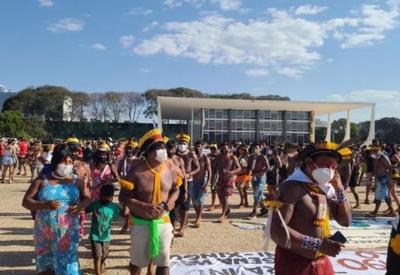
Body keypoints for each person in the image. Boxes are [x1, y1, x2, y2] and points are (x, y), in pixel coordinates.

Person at [270, 143, 351, 275]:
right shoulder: (292, 188)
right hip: (294, 264)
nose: (329, 170)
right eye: (325, 164)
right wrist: (317, 244)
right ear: (309, 162)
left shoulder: (325, 188)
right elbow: (276, 231)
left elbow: (345, 221)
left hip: (322, 263)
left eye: (333, 166)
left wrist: (340, 189)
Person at [22, 143, 91, 274]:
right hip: (44, 233)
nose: (67, 164)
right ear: (56, 162)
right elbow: (26, 201)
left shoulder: (78, 181)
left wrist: (79, 207)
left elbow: (88, 198)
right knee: (46, 267)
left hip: (68, 233)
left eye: (70, 161)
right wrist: (44, 205)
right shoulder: (42, 180)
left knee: (67, 264)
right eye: (64, 161)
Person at [119, 128, 180, 275]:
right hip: (140, 223)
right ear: (148, 152)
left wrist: (171, 201)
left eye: (162, 146)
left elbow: (175, 190)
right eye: (158, 148)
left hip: (163, 221)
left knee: (164, 261)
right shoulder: (136, 171)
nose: (162, 150)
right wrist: (143, 206)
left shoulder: (171, 168)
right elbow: (123, 197)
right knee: (137, 262)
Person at [86, 184, 123, 275]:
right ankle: (97, 272)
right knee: (98, 256)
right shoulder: (95, 205)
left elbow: (123, 214)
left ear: (112, 197)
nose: (107, 199)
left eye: (109, 197)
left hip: (106, 236)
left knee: (105, 254)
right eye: (104, 197)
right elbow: (85, 209)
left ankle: (102, 264)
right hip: (95, 236)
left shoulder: (114, 207)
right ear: (100, 196)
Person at [174, 133, 199, 237]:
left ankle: (182, 227)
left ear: (187, 144)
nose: (181, 145)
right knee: (176, 204)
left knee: (185, 204)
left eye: (183, 143)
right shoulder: (174, 153)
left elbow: (197, 167)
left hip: (188, 181)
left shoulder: (191, 154)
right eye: (180, 143)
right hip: (175, 181)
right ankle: (180, 222)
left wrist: (189, 174)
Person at [117, 139, 139, 233]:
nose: (128, 151)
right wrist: (120, 178)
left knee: (129, 206)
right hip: (124, 185)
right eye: (127, 149)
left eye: (130, 149)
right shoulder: (122, 161)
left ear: (134, 150)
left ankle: (126, 225)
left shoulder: (137, 161)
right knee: (123, 204)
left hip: (134, 186)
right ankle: (128, 222)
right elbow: (118, 172)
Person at [215, 143, 241, 223]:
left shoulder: (233, 157)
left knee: (225, 196)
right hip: (220, 178)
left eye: (226, 149)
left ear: (230, 149)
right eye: (223, 149)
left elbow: (239, 168)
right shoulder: (219, 156)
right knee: (220, 195)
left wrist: (231, 172)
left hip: (229, 179)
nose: (225, 150)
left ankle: (223, 214)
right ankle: (227, 209)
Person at [368, 145, 395, 217]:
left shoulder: (383, 157)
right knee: (385, 196)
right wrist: (373, 178)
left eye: (373, 151)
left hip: (384, 179)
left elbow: (390, 168)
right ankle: (392, 211)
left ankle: (375, 212)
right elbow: (376, 169)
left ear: (377, 151)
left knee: (379, 196)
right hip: (379, 179)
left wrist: (389, 179)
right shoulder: (376, 158)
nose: (371, 152)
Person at [247, 143, 270, 219]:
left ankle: (254, 212)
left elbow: (268, 168)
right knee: (258, 194)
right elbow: (248, 167)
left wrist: (258, 173)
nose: (255, 149)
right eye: (253, 148)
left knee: (256, 195)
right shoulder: (250, 157)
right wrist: (249, 170)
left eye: (256, 148)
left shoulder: (262, 157)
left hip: (261, 178)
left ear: (260, 149)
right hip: (253, 177)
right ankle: (265, 209)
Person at [192, 140, 211, 227]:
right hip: (192, 182)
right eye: (197, 146)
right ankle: (198, 215)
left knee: (200, 201)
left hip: (202, 181)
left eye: (200, 146)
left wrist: (207, 184)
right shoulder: (192, 157)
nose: (198, 148)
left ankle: (198, 217)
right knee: (194, 202)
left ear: (203, 147)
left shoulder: (205, 158)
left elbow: (210, 172)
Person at [207, 144, 221, 211]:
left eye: (214, 149)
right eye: (211, 148)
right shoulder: (208, 156)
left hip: (217, 175)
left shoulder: (219, 156)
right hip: (211, 175)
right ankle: (214, 204)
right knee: (214, 190)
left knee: (216, 190)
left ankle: (214, 204)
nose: (212, 150)